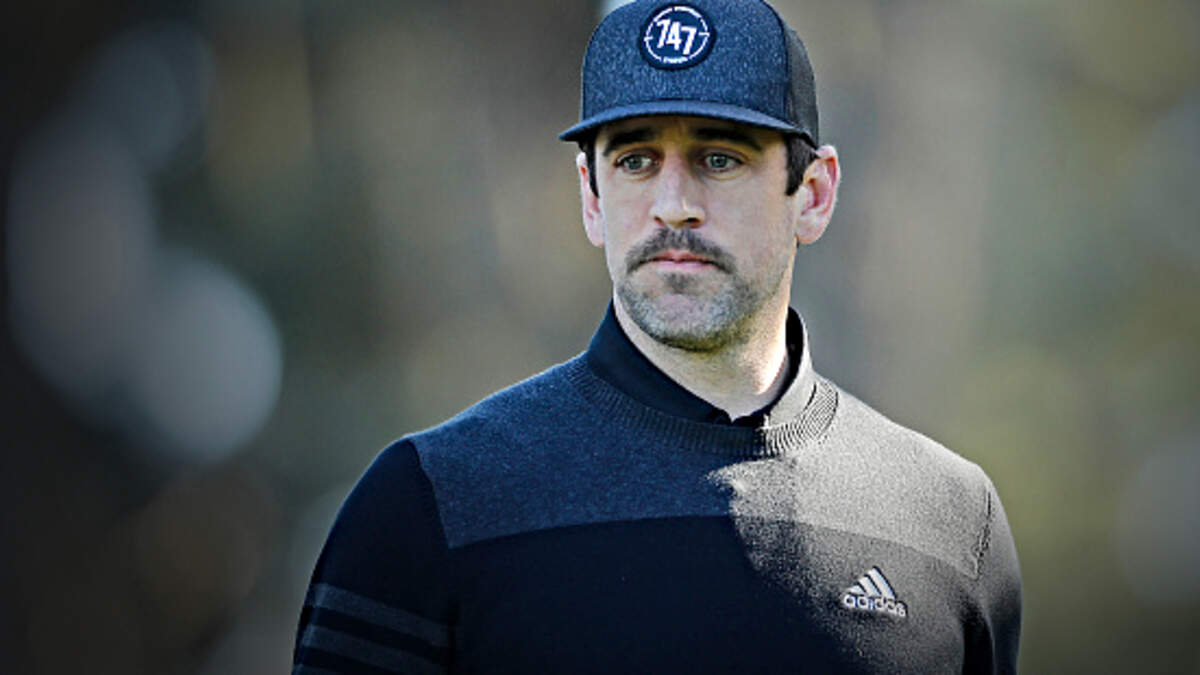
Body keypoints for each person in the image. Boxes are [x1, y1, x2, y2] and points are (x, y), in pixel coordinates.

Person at [292, 0, 1022, 672]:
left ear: (814, 193)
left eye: (720, 158)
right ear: (591, 195)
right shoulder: (431, 504)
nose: (674, 205)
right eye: (636, 161)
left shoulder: (951, 523)